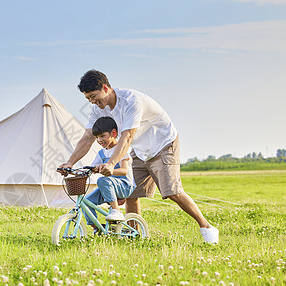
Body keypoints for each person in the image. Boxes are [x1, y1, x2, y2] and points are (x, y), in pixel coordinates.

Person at [58, 69, 219, 243]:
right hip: (140, 150)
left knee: (173, 192)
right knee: (131, 192)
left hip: (163, 144)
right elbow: (88, 137)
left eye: (94, 96)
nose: (92, 101)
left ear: (105, 87)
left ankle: (207, 227)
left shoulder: (130, 101)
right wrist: (70, 162)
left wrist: (112, 163)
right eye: (88, 98)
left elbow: (127, 136)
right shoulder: (99, 109)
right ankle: (133, 236)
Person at [81, 116, 136, 232]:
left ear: (114, 133)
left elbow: (124, 171)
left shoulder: (121, 149)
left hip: (124, 185)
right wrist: (88, 170)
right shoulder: (101, 153)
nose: (99, 140)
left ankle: (116, 210)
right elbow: (94, 167)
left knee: (102, 180)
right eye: (96, 137)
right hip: (107, 186)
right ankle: (97, 228)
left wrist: (109, 170)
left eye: (102, 136)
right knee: (86, 202)